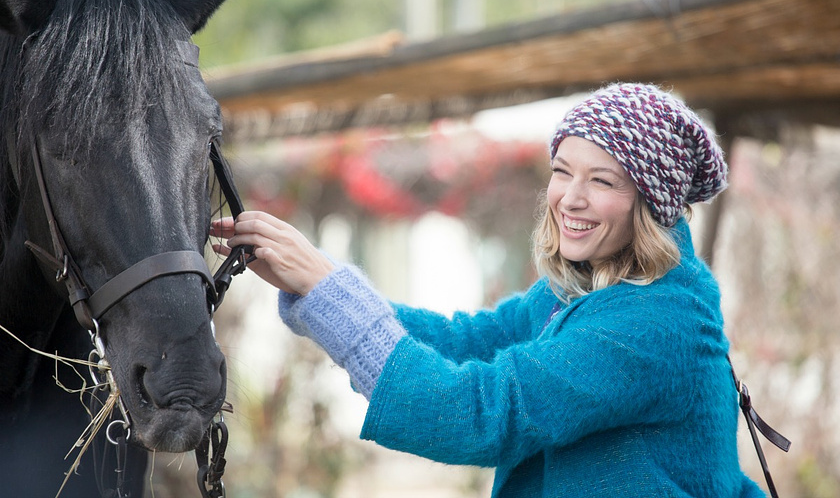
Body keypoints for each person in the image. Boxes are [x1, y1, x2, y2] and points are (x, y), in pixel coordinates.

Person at [211, 82, 766, 497]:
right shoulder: (583, 288)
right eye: (562, 170)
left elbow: (483, 412)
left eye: (602, 180)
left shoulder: (652, 322)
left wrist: (328, 288)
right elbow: (471, 342)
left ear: (652, 204)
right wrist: (315, 286)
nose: (570, 198)